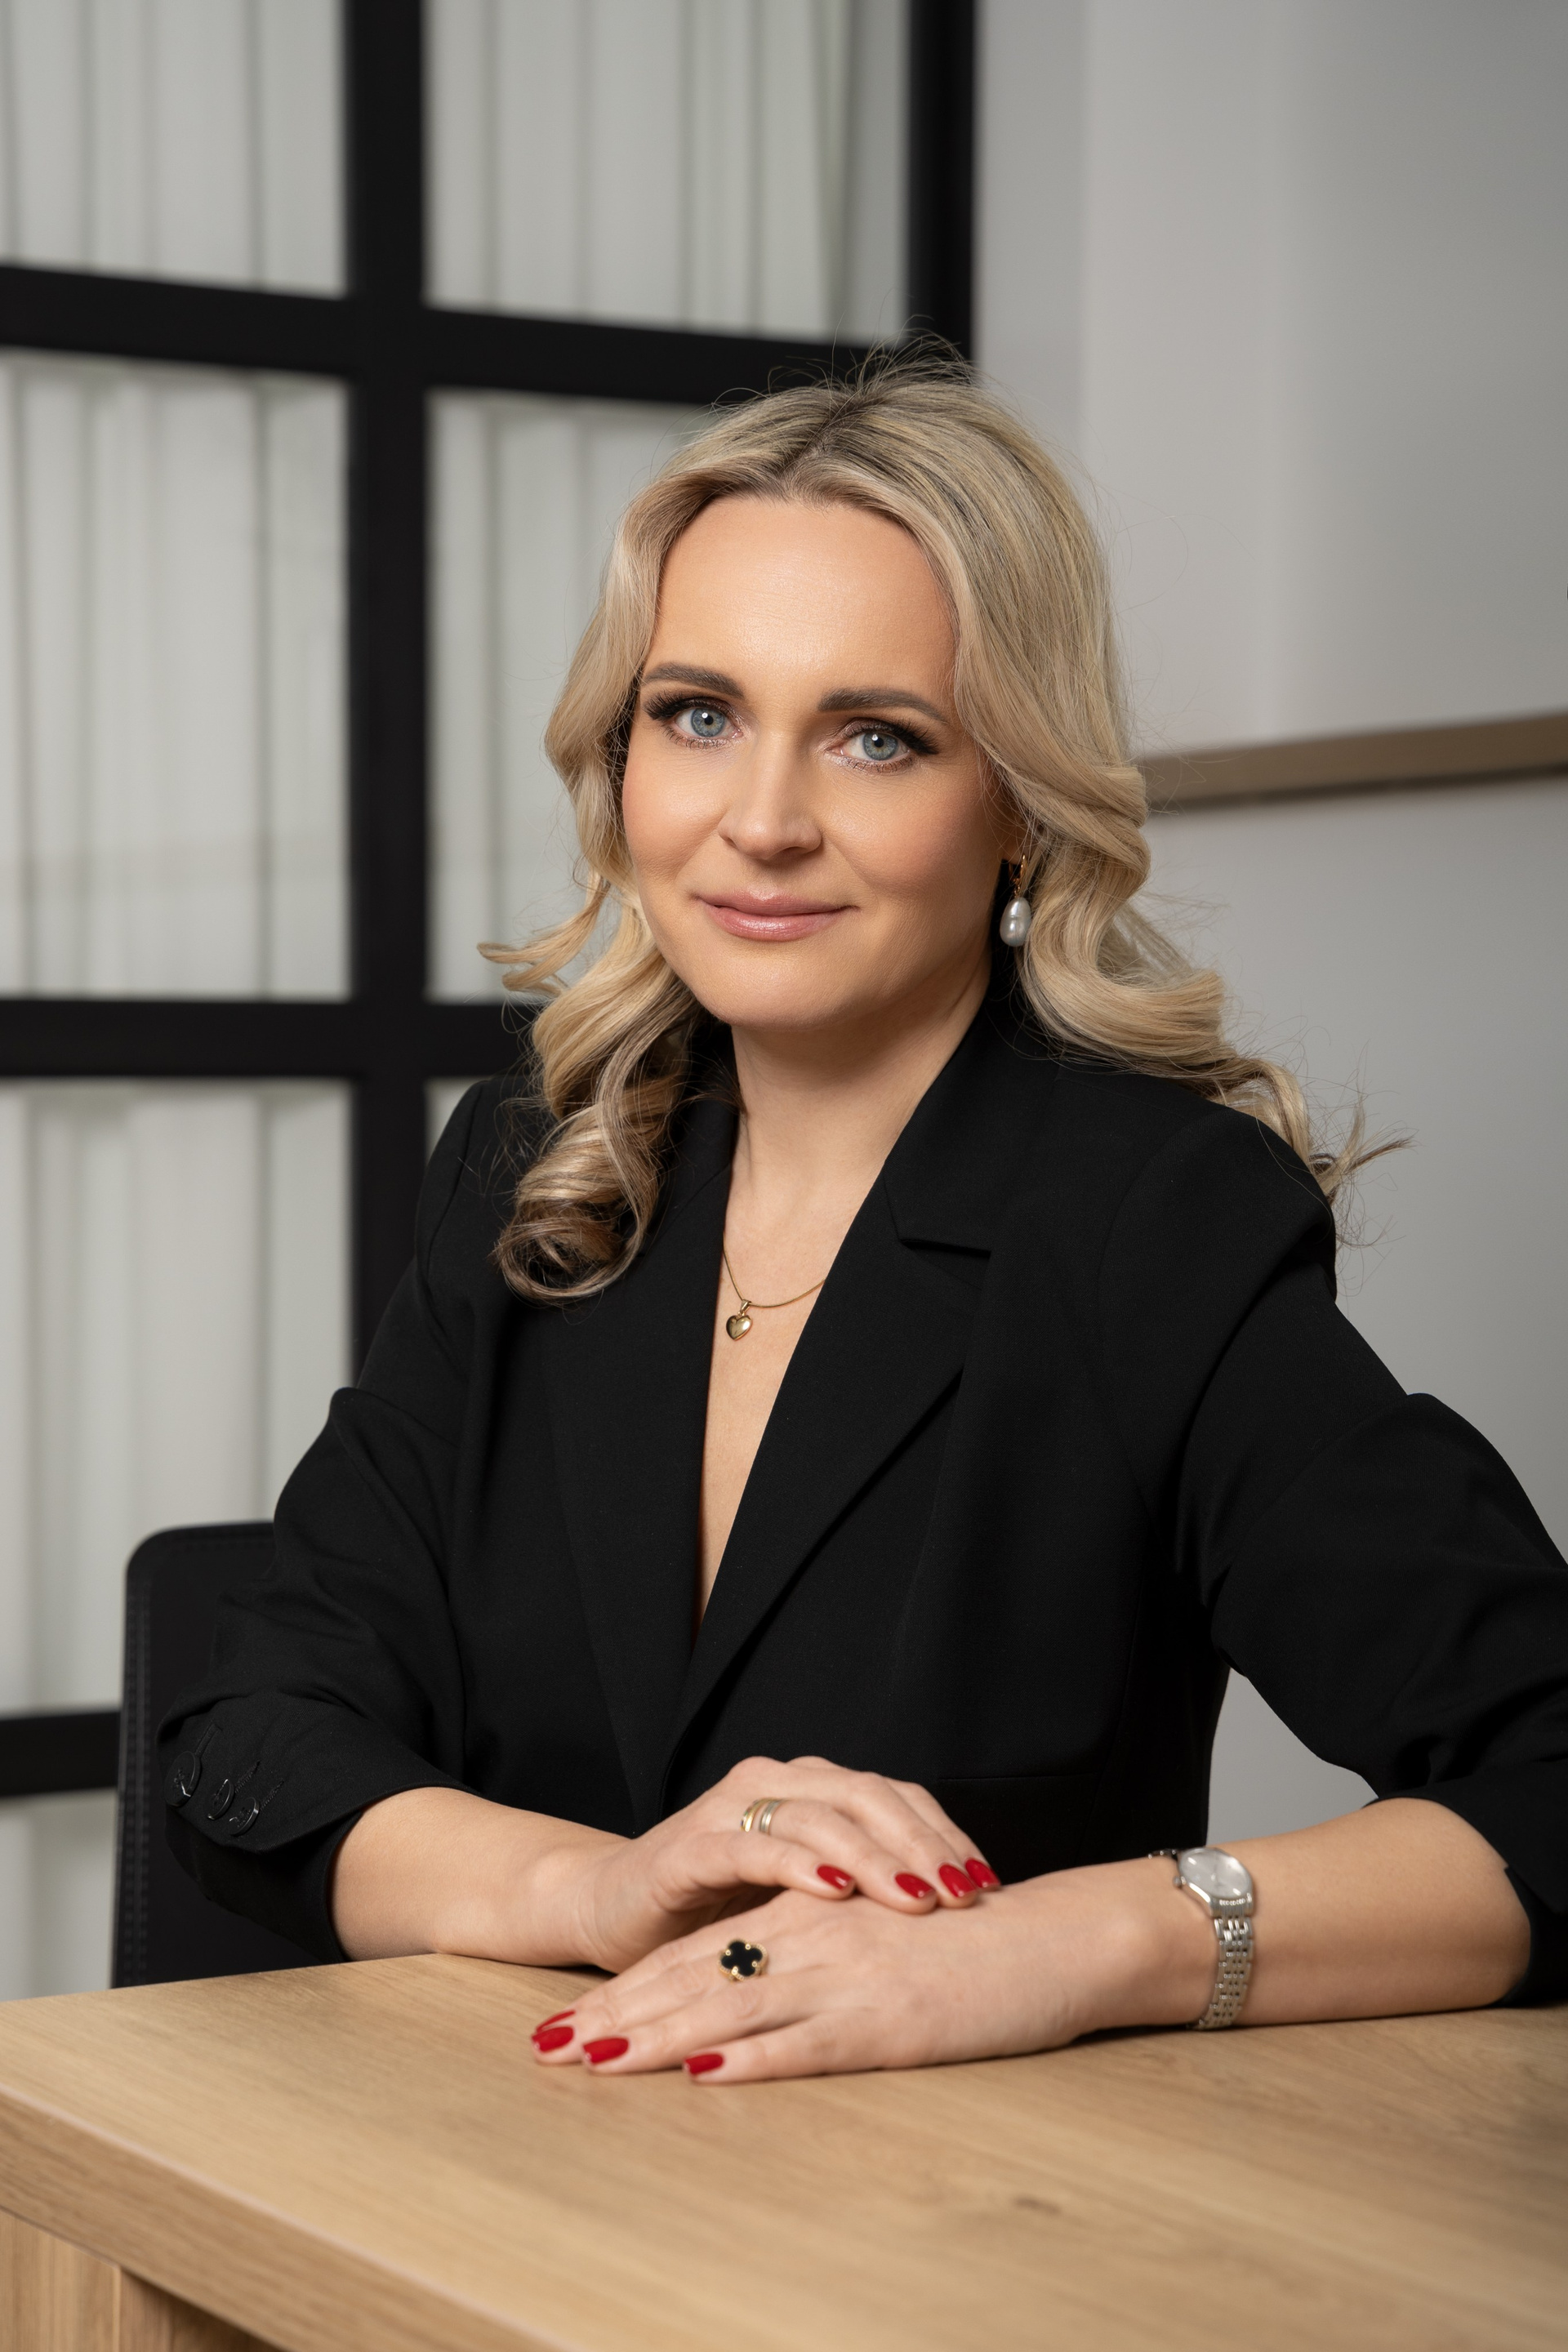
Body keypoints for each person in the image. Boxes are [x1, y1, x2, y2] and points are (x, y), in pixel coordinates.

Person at [162, 359, 1566, 2082]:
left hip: (949, 2212)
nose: (760, 822)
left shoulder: (1153, 1223)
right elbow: (252, 1737)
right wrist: (600, 1886)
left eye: (877, 737)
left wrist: (1054, 1946)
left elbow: (1549, 1777)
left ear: (1020, 806)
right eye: (698, 715)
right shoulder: (538, 1161)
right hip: (511, 2146)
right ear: (621, 760)